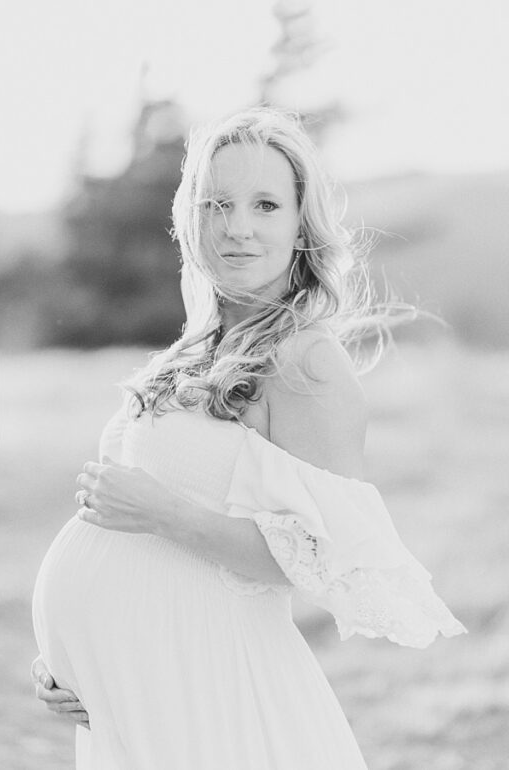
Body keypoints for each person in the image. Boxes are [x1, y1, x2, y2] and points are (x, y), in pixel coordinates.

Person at [30, 108, 466, 769]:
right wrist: (72, 664)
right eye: (217, 204)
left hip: (214, 695)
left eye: (265, 205)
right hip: (142, 695)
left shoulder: (305, 361)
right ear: (190, 218)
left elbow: (323, 556)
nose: (238, 227)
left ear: (300, 224)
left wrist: (159, 511)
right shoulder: (197, 346)